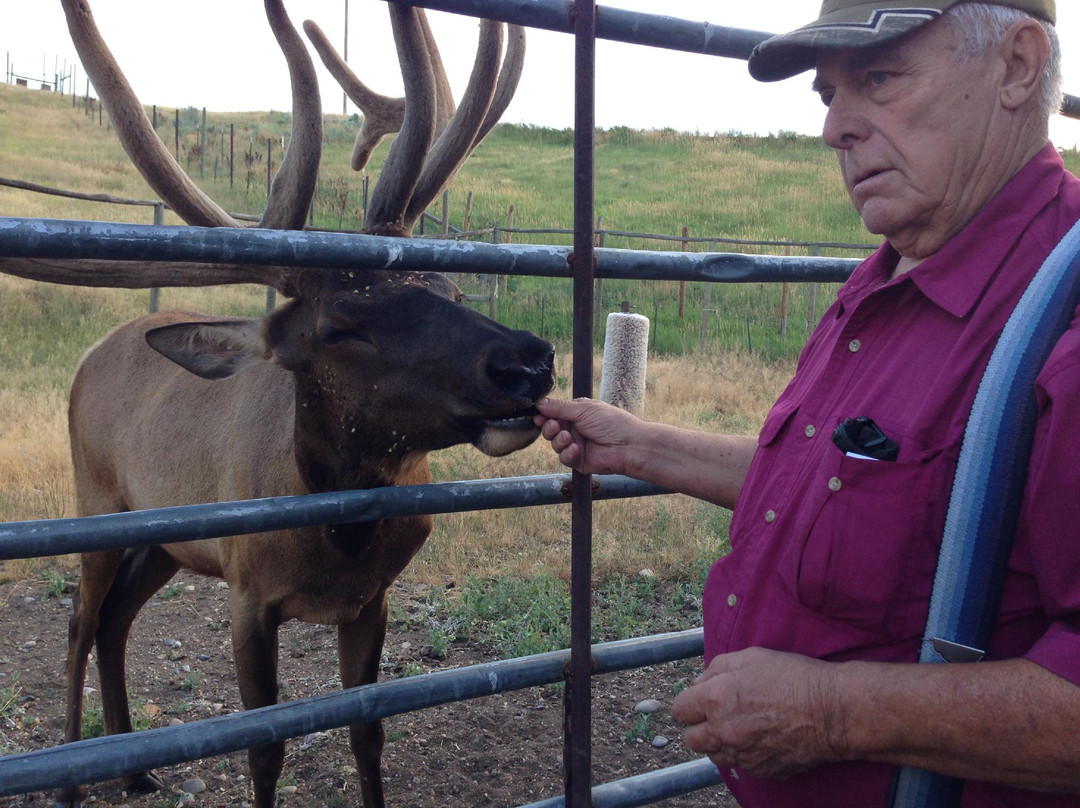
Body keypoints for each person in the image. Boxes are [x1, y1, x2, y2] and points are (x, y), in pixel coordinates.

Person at [534, 1, 1080, 805]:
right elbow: (859, 486)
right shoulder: (895, 274)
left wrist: (834, 714)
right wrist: (638, 447)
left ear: (1018, 66)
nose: (834, 129)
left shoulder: (1062, 319)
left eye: (880, 78)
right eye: (828, 94)